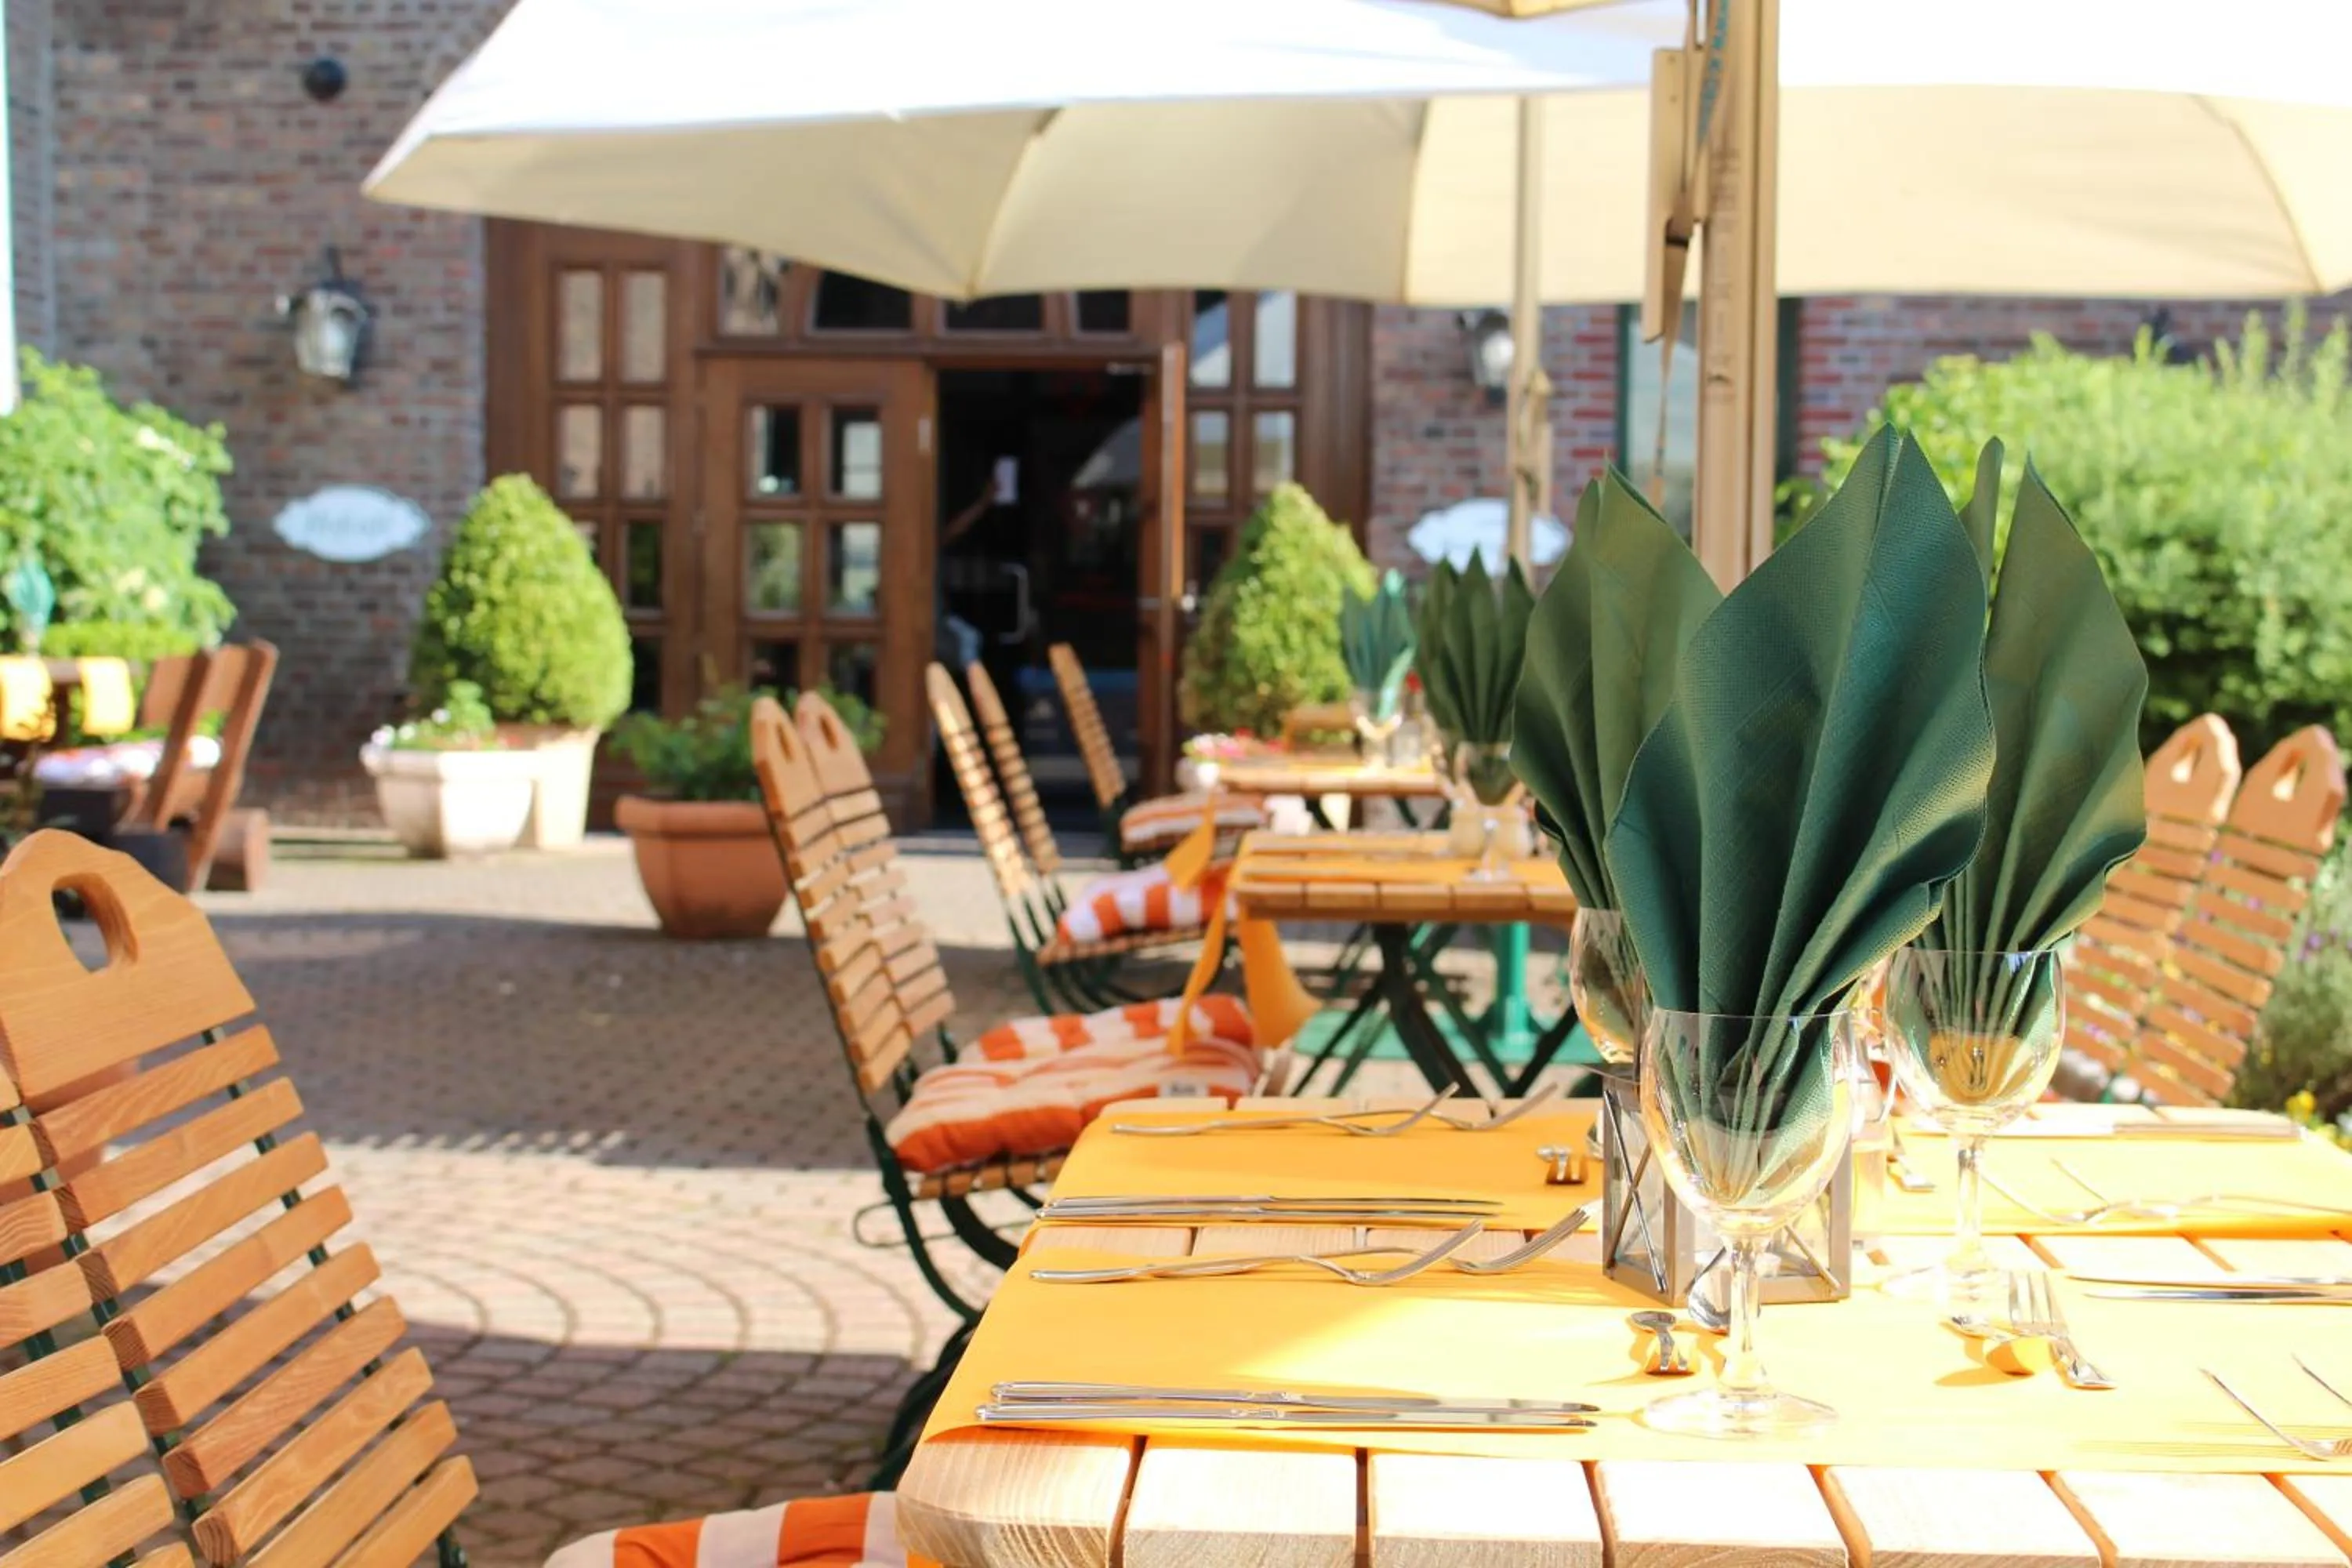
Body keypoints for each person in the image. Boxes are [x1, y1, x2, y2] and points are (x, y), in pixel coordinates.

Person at [936, 474, 996, 671]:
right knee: (967, 641)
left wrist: (982, 505)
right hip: (927, 620)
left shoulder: (928, 545)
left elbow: (953, 531)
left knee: (969, 639)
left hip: (939, 617)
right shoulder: (916, 546)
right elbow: (952, 532)